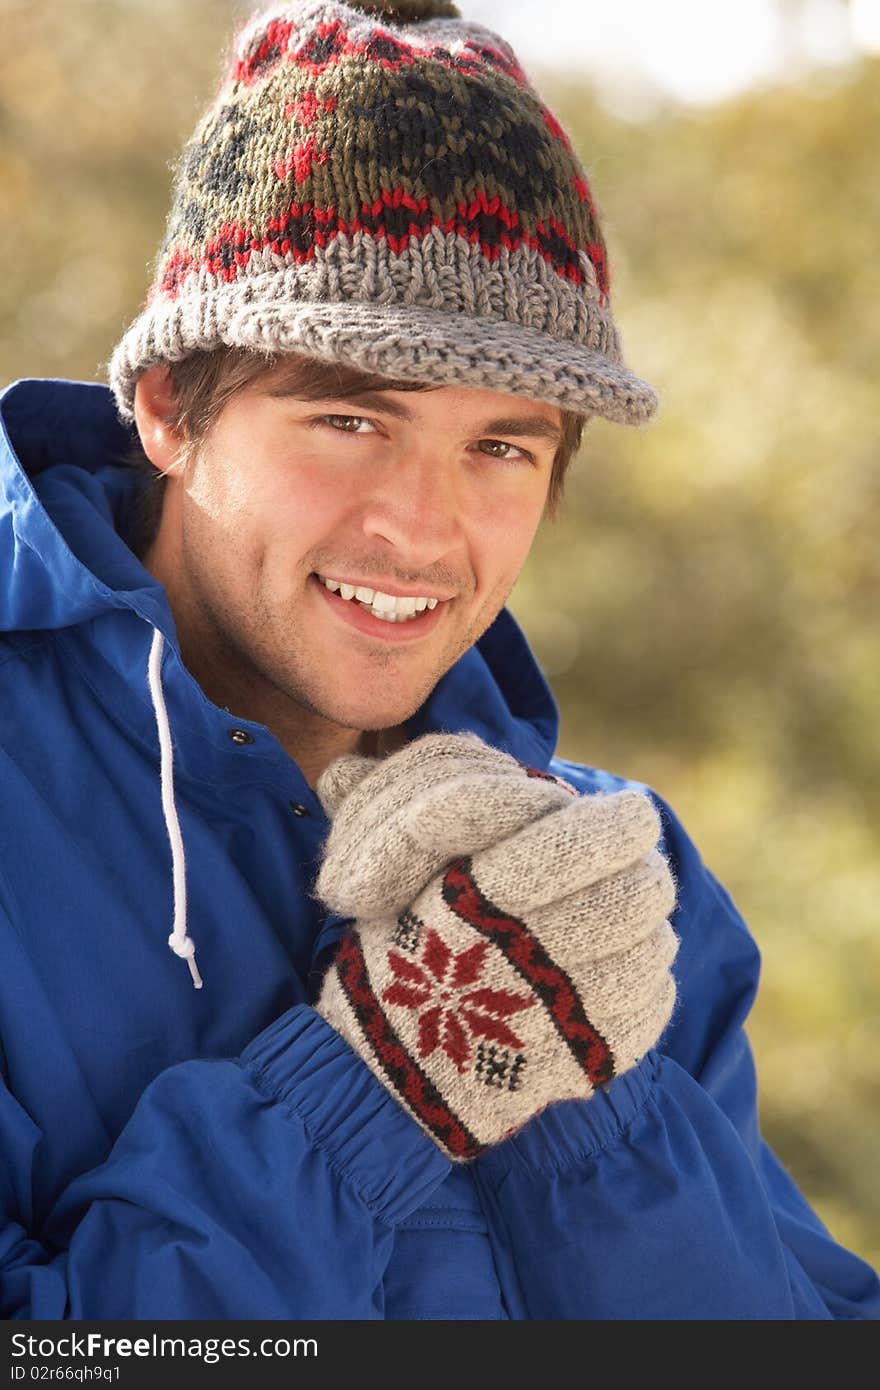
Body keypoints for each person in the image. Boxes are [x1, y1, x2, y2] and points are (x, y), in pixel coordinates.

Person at [0, 0, 876, 1322]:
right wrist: (364, 1098)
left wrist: (589, 1102)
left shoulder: (608, 875)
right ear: (172, 407)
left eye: (501, 447)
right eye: (350, 417)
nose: (419, 531)